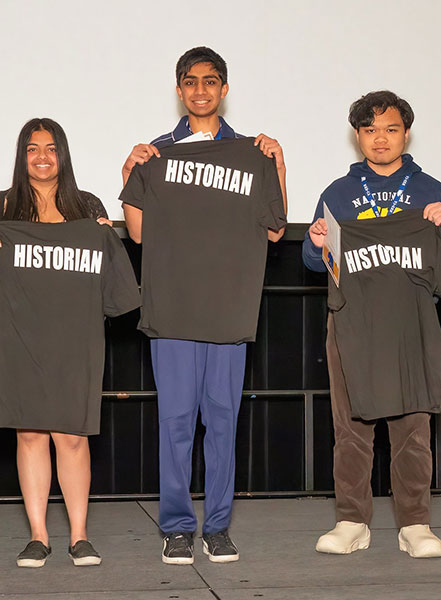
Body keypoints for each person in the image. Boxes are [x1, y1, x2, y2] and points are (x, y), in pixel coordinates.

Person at [121, 46, 287, 565]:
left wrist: (278, 162)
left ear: (224, 88)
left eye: (210, 81)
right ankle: (175, 527)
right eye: (190, 81)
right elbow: (139, 233)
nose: (200, 89)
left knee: (222, 422)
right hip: (172, 310)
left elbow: (276, 229)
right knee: (174, 423)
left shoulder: (251, 152)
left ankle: (216, 527)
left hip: (227, 310)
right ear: (179, 89)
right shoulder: (156, 154)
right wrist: (130, 169)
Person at [302, 91, 441, 558]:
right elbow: (313, 263)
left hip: (412, 325)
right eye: (370, 130)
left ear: (406, 133)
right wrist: (316, 239)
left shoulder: (432, 191)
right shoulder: (337, 193)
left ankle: (415, 524)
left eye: (391, 129)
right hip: (351, 325)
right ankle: (351, 521)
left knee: (413, 427)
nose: (381, 139)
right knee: (351, 429)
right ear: (357, 136)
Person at [1, 118, 114, 568]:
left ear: (62, 154)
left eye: (50, 148)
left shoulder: (86, 206)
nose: (42, 157)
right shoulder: (5, 208)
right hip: (19, 336)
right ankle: (38, 536)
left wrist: (105, 235)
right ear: (21, 156)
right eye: (32, 149)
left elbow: (107, 276)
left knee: (71, 435)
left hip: (75, 337)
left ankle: (80, 536)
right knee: (30, 432)